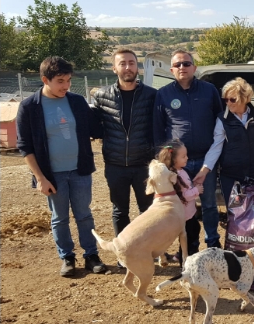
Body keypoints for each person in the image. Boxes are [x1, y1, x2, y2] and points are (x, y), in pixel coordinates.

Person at [16, 56, 107, 277]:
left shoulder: (76, 101)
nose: (65, 86)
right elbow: (25, 146)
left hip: (80, 170)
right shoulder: (29, 107)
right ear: (45, 79)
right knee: (60, 217)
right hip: (52, 175)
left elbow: (96, 127)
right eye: (60, 81)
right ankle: (67, 257)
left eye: (68, 80)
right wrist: (40, 178)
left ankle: (91, 256)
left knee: (84, 214)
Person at [154, 49, 224, 249]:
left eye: (186, 64)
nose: (182, 67)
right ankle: (188, 245)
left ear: (194, 67)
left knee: (209, 205)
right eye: (178, 65)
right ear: (171, 70)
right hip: (177, 165)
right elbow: (158, 130)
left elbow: (220, 122)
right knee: (182, 206)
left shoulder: (209, 90)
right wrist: (164, 163)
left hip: (205, 161)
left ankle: (212, 243)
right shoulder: (163, 94)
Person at [93, 48, 157, 250]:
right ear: (114, 68)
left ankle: (146, 250)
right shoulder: (102, 96)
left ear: (137, 67)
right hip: (115, 165)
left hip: (143, 165)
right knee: (119, 211)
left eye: (131, 63)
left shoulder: (152, 96)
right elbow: (94, 127)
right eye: (122, 63)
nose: (128, 67)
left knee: (147, 211)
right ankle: (124, 251)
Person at [202, 77, 254, 206]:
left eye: (232, 99)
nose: (228, 103)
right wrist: (205, 169)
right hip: (231, 175)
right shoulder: (222, 119)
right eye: (225, 99)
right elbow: (216, 147)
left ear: (244, 98)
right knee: (235, 214)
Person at [156, 140, 204, 264]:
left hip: (188, 214)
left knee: (192, 232)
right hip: (184, 216)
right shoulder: (174, 176)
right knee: (190, 237)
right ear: (173, 159)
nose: (187, 158)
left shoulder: (180, 171)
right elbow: (182, 196)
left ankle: (183, 257)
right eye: (183, 156)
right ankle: (188, 262)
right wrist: (196, 190)